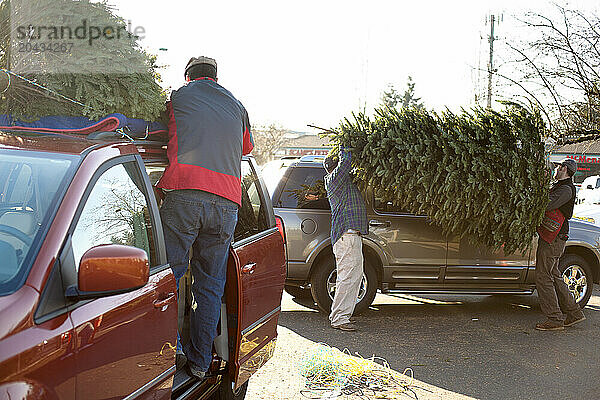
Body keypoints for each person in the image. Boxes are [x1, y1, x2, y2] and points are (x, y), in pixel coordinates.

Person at [157, 56, 254, 378]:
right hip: (227, 202)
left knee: (168, 279)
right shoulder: (238, 106)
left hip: (185, 193)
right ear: (215, 77)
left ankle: (172, 351)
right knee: (210, 286)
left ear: (188, 76)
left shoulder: (178, 96)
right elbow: (246, 149)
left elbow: (162, 128)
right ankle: (200, 364)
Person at [535, 158, 585, 331]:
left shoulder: (565, 189)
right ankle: (574, 313)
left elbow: (547, 205)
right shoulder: (560, 186)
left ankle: (555, 318)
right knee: (554, 275)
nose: (555, 169)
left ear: (565, 169)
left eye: (558, 167)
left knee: (543, 276)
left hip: (554, 239)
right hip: (553, 237)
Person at [323, 147, 368, 332]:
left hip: (352, 236)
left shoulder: (345, 184)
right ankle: (339, 318)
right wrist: (345, 147)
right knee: (347, 278)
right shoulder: (334, 180)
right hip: (346, 235)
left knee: (354, 278)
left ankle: (343, 316)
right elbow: (346, 164)